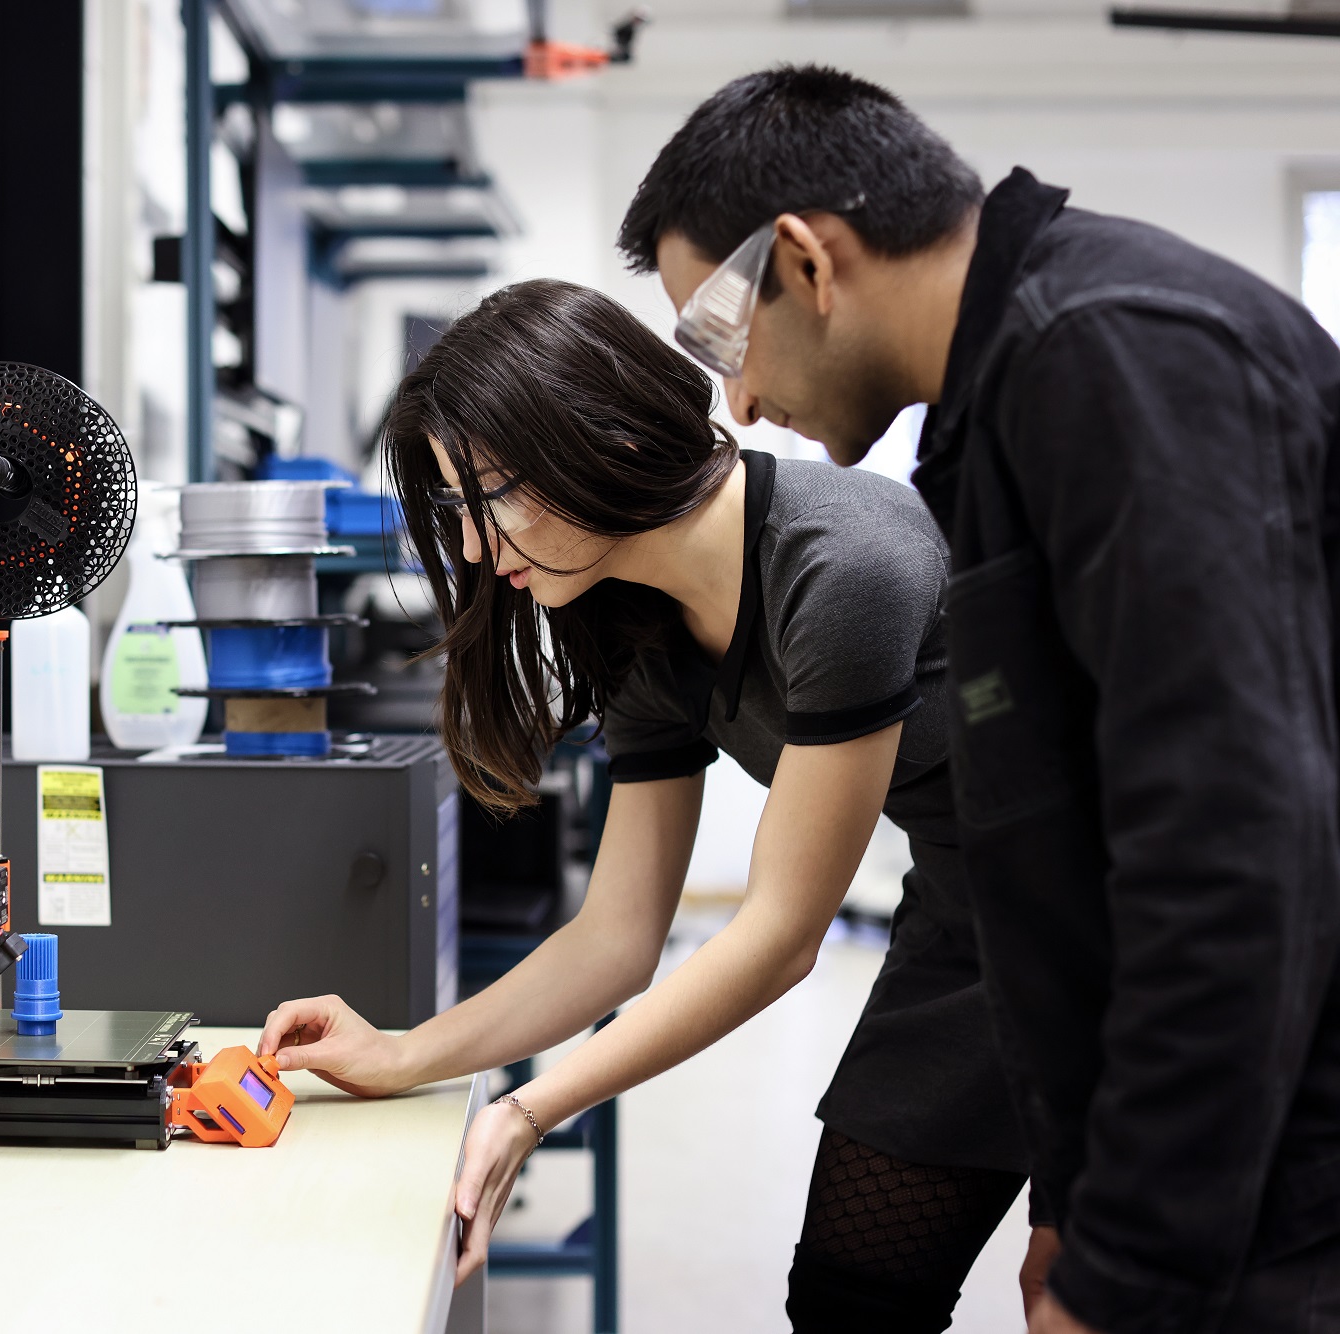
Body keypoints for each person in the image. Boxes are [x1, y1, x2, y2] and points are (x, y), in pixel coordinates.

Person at [619, 65, 1340, 1334]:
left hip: (1283, 1111)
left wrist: (1130, 1269)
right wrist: (1071, 1186)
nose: (735, 403)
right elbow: (1073, 831)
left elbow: (1231, 843)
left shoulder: (1116, 354)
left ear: (804, 260)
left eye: (722, 339)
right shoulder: (1000, 402)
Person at [259, 277, 1026, 1332]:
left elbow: (779, 932)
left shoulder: (842, 562)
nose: (477, 549)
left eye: (488, 497)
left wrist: (531, 1106)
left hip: (1142, 905)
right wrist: (400, 1052)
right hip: (974, 920)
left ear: (599, 435)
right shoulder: (638, 625)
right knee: (854, 1300)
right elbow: (618, 937)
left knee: (1086, 1290)